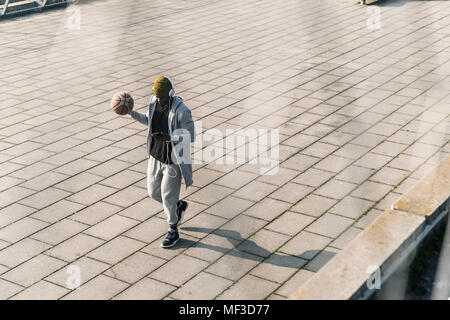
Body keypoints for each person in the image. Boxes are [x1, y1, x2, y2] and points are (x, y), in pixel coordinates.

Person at [128, 76, 195, 248]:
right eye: (157, 96)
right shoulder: (153, 102)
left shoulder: (182, 111)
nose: (159, 99)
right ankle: (178, 206)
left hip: (173, 160)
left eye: (162, 97)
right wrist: (131, 112)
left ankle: (173, 229)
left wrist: (170, 137)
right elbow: (149, 121)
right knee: (153, 192)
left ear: (171, 94)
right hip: (155, 155)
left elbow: (190, 136)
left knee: (167, 195)